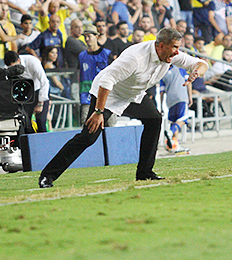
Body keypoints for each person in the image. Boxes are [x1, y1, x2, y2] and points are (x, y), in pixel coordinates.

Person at [39, 28, 208, 188]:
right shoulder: (136, 58)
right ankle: (48, 175)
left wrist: (196, 72)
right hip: (108, 94)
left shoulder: (170, 53)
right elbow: (106, 80)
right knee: (88, 137)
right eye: (175, 48)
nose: (177, 52)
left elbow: (201, 63)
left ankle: (145, 173)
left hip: (133, 95)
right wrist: (98, 112)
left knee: (154, 119)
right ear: (161, 46)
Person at [5, 51, 50, 133]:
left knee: (40, 120)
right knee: (25, 121)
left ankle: (44, 142)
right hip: (25, 93)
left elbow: (44, 82)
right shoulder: (7, 68)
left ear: (18, 60)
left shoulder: (33, 62)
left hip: (39, 89)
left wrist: (40, 103)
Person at [160, 65, 191, 154]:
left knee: (174, 121)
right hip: (181, 97)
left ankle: (175, 145)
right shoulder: (180, 68)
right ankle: (170, 132)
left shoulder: (163, 73)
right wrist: (190, 97)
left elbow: (162, 92)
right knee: (183, 119)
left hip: (170, 100)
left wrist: (161, 106)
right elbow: (188, 81)